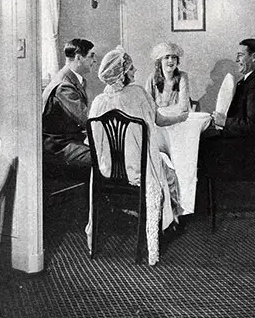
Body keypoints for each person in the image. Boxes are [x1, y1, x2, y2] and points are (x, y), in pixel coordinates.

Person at [86, 46, 181, 266]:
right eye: (130, 67)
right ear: (122, 72)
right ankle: (165, 231)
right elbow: (157, 119)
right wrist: (181, 117)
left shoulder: (99, 102)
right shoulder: (137, 94)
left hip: (106, 173)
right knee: (170, 173)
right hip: (139, 173)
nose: (135, 70)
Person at [201, 37, 255, 153]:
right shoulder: (248, 81)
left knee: (201, 147)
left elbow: (254, 126)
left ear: (254, 57)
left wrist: (225, 121)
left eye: (240, 55)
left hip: (245, 152)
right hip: (240, 144)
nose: (236, 60)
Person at [42, 38, 96, 177]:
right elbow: (86, 119)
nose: (94, 61)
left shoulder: (71, 78)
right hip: (58, 146)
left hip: (68, 139)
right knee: (103, 158)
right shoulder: (64, 85)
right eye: (91, 56)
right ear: (78, 57)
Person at [145, 42, 190, 125]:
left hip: (178, 121)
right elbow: (148, 105)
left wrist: (162, 112)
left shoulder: (182, 77)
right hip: (158, 122)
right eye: (166, 57)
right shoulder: (152, 78)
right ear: (160, 61)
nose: (171, 60)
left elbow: (183, 106)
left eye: (174, 57)